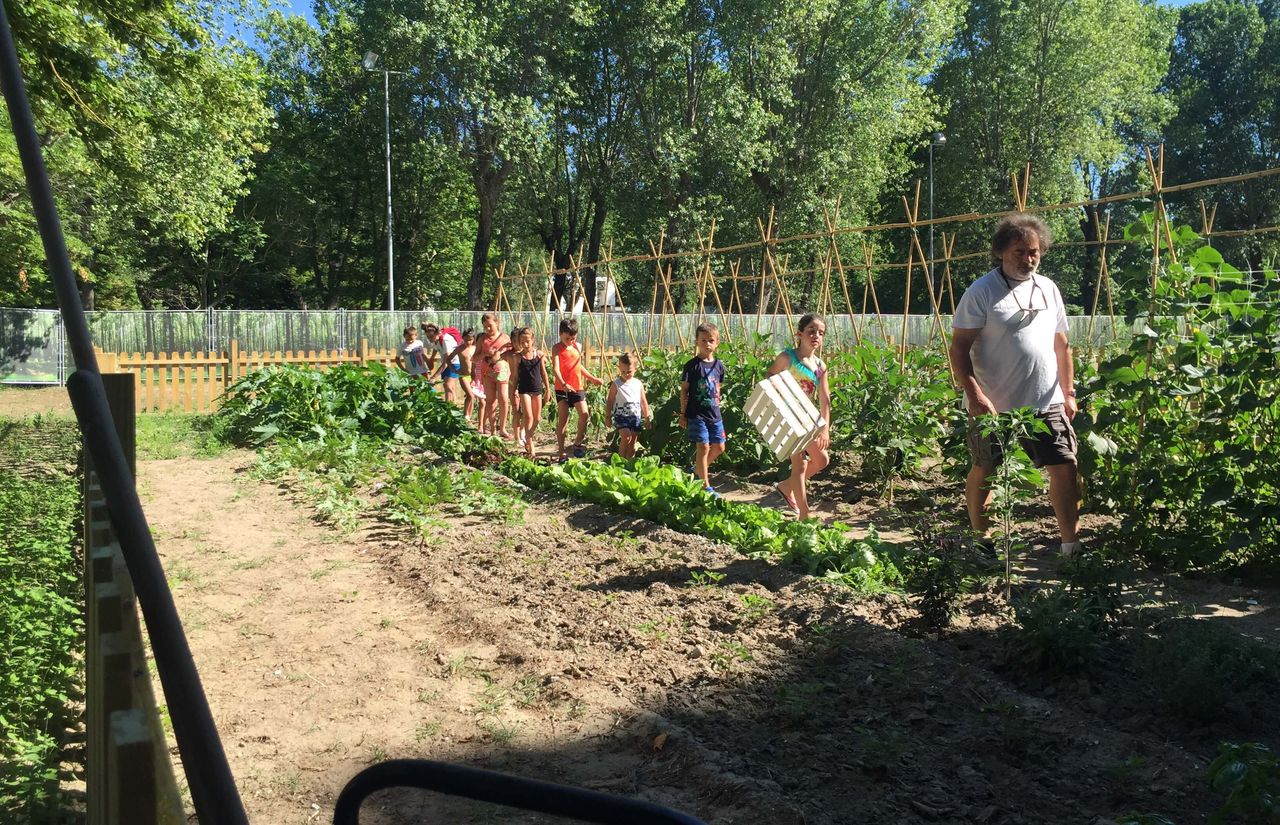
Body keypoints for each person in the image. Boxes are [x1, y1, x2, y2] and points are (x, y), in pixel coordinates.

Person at [949, 213, 1082, 557]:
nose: (1029, 259)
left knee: (1065, 466)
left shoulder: (1048, 289)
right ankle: (985, 542)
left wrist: (1068, 392)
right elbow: (959, 348)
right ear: (1001, 253)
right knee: (987, 468)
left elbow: (1061, 345)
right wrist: (974, 393)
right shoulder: (982, 292)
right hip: (993, 403)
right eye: (1020, 252)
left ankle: (1070, 546)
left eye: (1034, 252)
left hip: (1046, 399)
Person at [767, 314, 832, 520]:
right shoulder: (787, 358)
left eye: (820, 333)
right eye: (811, 331)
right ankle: (804, 514)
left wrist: (825, 427)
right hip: (788, 417)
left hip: (807, 418)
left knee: (821, 460)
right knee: (800, 464)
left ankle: (786, 487)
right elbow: (769, 378)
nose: (816, 335)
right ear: (800, 333)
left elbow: (824, 397)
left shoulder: (820, 366)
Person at [679, 322, 727, 496]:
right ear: (697, 342)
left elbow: (718, 387)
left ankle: (697, 469)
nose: (707, 344)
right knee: (704, 447)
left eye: (711, 340)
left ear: (717, 342)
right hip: (696, 414)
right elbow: (684, 391)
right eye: (703, 340)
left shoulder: (719, 366)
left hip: (714, 414)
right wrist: (683, 414)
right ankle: (705, 486)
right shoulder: (691, 366)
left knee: (720, 447)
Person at [552, 318, 603, 461]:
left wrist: (593, 378)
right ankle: (561, 452)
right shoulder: (556, 348)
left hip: (577, 387)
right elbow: (556, 369)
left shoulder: (577, 346)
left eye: (573, 338)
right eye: (567, 338)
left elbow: (578, 366)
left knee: (584, 414)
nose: (570, 341)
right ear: (560, 334)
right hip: (562, 389)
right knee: (563, 420)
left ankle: (577, 442)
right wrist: (563, 384)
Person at [512, 327, 552, 458]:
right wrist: (513, 392)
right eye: (522, 342)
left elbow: (544, 374)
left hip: (537, 389)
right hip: (524, 390)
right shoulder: (518, 357)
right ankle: (531, 446)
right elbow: (515, 377)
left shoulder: (539, 355)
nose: (525, 344)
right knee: (528, 416)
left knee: (538, 418)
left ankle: (527, 435)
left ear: (533, 340)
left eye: (527, 341)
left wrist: (548, 390)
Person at [605, 352, 651, 459]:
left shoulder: (638, 383)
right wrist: (608, 417)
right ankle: (620, 461)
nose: (626, 374)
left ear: (635, 369)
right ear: (619, 369)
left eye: (629, 371)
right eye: (623, 371)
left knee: (632, 442)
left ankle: (629, 462)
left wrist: (647, 418)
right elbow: (610, 401)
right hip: (621, 416)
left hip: (635, 416)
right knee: (626, 437)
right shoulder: (616, 384)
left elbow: (643, 401)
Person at [475, 313, 512, 437]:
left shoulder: (505, 338)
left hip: (502, 373)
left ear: (497, 323)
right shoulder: (482, 339)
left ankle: (502, 428)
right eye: (485, 327)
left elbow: (513, 354)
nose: (488, 329)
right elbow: (474, 357)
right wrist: (485, 354)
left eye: (490, 326)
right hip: (487, 374)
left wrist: (499, 354)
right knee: (490, 401)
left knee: (503, 399)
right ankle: (492, 430)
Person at [422, 323, 464, 403]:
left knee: (448, 385)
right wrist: (432, 358)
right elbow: (435, 348)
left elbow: (447, 361)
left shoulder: (445, 340)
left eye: (431, 337)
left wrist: (434, 377)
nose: (429, 339)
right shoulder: (436, 340)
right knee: (450, 387)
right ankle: (453, 408)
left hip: (454, 363)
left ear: (437, 333)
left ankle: (448, 409)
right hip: (447, 363)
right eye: (428, 337)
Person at [455, 329, 480, 424]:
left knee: (472, 398)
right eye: (466, 340)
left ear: (473, 339)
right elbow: (448, 359)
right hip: (463, 375)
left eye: (470, 339)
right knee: (470, 395)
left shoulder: (475, 348)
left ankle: (468, 417)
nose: (468, 342)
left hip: (473, 376)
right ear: (463, 338)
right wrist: (455, 369)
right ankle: (465, 415)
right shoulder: (460, 349)